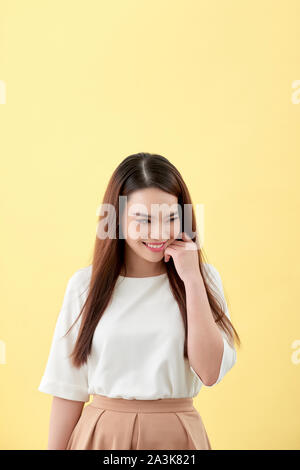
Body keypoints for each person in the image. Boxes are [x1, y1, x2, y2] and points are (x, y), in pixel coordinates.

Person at [38, 152, 240, 450]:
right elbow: (68, 388)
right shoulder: (85, 286)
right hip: (101, 438)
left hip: (177, 438)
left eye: (171, 218)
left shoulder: (202, 279)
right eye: (143, 221)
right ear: (117, 219)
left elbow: (209, 372)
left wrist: (192, 278)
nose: (158, 233)